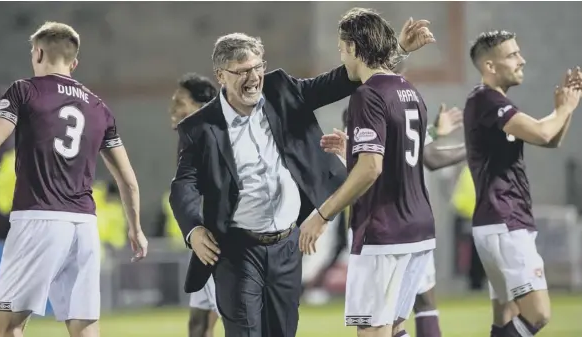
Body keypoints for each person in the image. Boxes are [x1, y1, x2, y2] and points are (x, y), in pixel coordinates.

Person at [170, 19, 433, 337]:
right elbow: (183, 184)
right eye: (242, 71)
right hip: (237, 250)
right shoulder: (198, 127)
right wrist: (194, 229)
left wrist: (399, 49)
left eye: (258, 67)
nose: (254, 78)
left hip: (286, 246)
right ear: (221, 76)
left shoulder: (280, 89)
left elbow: (341, 80)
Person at [0, 21, 148, 337]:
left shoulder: (25, 91)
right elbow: (128, 180)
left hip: (39, 219)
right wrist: (136, 228)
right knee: (84, 328)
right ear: (74, 63)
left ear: (38, 52)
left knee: (6, 327)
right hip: (85, 227)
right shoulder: (100, 107)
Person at [299, 8, 436, 337]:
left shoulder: (367, 95)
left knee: (373, 331)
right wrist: (353, 153)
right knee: (396, 328)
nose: (341, 56)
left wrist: (322, 214)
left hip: (382, 232)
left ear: (354, 48)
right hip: (418, 230)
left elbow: (371, 169)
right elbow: (394, 163)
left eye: (341, 48)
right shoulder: (409, 91)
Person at [464, 30, 581, 337]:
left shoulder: (492, 103)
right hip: (505, 222)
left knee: (507, 318)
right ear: (490, 66)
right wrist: (564, 109)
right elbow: (543, 132)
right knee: (538, 314)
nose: (522, 60)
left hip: (499, 224)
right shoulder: (487, 101)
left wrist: (567, 108)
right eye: (513, 55)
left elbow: (550, 140)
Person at [322, 101, 465, 337]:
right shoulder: (383, 130)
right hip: (413, 229)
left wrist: (321, 217)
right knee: (405, 316)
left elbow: (370, 174)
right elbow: (420, 152)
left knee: (375, 326)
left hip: (378, 235)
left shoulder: (365, 137)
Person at [169, 73, 221, 337]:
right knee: (198, 324)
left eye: (180, 102)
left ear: (201, 106)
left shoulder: (213, 137)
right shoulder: (190, 140)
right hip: (201, 238)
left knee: (236, 319)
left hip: (218, 241)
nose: (173, 109)